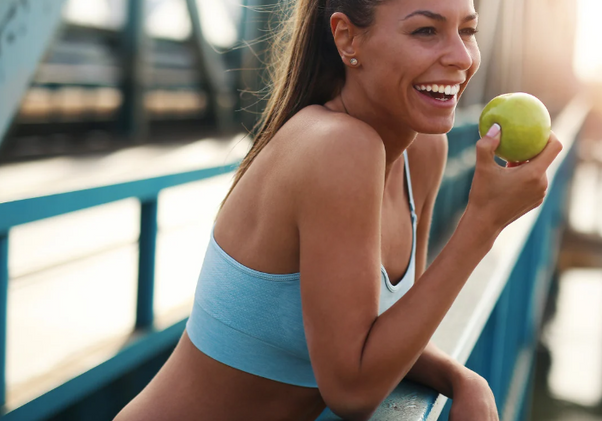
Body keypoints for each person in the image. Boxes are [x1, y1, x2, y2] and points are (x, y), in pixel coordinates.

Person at [115, 0, 561, 419]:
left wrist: (462, 379)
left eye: (468, 31)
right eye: (426, 30)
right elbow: (353, 390)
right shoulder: (338, 147)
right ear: (348, 38)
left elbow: (390, 333)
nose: (461, 57)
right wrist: (483, 223)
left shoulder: (423, 151)